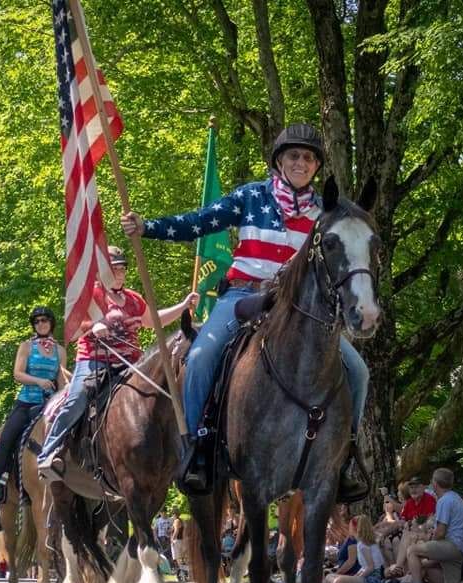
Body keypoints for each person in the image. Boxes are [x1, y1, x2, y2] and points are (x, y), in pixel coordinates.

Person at [120, 123, 370, 500]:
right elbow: (199, 223)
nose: (300, 162)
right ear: (279, 162)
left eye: (307, 157)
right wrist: (147, 226)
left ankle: (345, 455)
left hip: (298, 310)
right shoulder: (251, 197)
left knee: (358, 371)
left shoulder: (326, 212)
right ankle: (197, 448)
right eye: (293, 156)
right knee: (202, 356)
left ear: (317, 165)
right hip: (241, 298)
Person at [35, 246, 197, 477]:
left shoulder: (134, 299)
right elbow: (71, 330)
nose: (120, 273)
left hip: (131, 362)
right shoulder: (90, 296)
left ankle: (184, 455)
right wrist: (93, 326)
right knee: (79, 396)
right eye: (115, 269)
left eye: (122, 269)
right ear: (102, 272)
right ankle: (49, 452)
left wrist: (182, 306)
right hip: (94, 360)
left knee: (167, 392)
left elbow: (153, 320)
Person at [0, 307, 68, 504]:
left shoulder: (60, 351)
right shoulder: (26, 346)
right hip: (26, 402)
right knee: (7, 438)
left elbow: (61, 380)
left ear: (51, 323)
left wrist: (64, 395)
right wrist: (38, 381)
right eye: (37, 321)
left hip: (50, 404)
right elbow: (17, 374)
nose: (41, 324)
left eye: (44, 320)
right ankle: (1, 482)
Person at [401, 468, 463, 583]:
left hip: (451, 545)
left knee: (412, 551)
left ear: (435, 483)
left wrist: (429, 543)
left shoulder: (444, 501)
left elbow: (440, 532)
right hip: (462, 549)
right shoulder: (456, 498)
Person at [326, 515, 384, 583]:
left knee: (338, 581)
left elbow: (371, 567)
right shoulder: (362, 543)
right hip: (366, 577)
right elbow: (364, 567)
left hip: (371, 580)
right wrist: (355, 577)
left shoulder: (363, 545)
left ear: (355, 528)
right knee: (329, 576)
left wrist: (358, 578)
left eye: (350, 526)